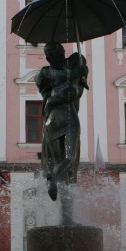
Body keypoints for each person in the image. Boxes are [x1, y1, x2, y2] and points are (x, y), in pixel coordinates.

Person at [35, 42, 88, 204]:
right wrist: (78, 73)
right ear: (48, 57)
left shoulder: (72, 72)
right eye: (59, 53)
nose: (62, 56)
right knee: (68, 160)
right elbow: (55, 78)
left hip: (57, 119)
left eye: (63, 52)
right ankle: (55, 179)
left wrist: (81, 75)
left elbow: (76, 93)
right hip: (63, 118)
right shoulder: (45, 73)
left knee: (69, 169)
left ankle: (67, 218)